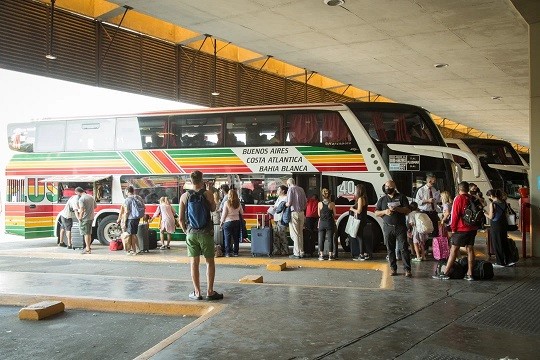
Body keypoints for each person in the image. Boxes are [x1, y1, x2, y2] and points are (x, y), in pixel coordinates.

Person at [178, 170, 222, 301]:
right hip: (206, 233)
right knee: (210, 262)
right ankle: (210, 291)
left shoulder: (184, 196)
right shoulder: (207, 193)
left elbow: (180, 219)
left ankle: (197, 293)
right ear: (202, 180)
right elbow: (214, 209)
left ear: (191, 181)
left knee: (194, 263)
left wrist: (186, 231)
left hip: (191, 233)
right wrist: (211, 196)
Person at [433, 181, 478, 281]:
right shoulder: (472, 198)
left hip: (461, 228)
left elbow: (455, 215)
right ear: (468, 189)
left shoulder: (458, 198)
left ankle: (445, 272)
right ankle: (470, 274)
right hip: (472, 228)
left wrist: (453, 228)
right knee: (470, 249)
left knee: (453, 250)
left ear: (459, 189)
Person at [375, 180, 412, 277]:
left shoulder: (401, 197)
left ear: (394, 187)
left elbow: (407, 210)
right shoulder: (382, 199)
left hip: (400, 227)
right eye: (386, 187)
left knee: (404, 248)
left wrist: (397, 209)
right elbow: (376, 213)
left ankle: (407, 269)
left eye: (390, 187)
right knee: (390, 249)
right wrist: (385, 212)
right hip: (388, 227)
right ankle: (393, 268)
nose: (388, 189)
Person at [484, 189, 513, 267]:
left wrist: (485, 213)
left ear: (492, 196)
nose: (489, 198)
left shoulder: (493, 204)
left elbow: (491, 216)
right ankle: (509, 260)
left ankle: (500, 262)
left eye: (489, 196)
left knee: (497, 243)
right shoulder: (504, 202)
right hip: (504, 224)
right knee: (504, 242)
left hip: (496, 225)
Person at [286, 178, 307, 259]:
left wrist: (285, 204)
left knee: (295, 234)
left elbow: (289, 203)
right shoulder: (301, 189)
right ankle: (301, 251)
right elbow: (305, 202)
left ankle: (296, 253)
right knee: (300, 233)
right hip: (301, 213)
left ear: (289, 184)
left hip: (294, 213)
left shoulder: (290, 189)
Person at [415, 173, 440, 238]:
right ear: (429, 181)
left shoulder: (434, 189)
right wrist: (427, 201)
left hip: (433, 212)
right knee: (425, 230)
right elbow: (417, 201)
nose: (435, 182)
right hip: (425, 213)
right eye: (434, 180)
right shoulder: (421, 190)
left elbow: (436, 200)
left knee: (435, 230)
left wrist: (437, 199)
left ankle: (435, 246)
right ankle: (425, 246)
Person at [220, 189, 243, 257]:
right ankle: (236, 252)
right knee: (236, 238)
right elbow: (242, 212)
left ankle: (227, 253)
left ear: (229, 195)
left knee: (227, 238)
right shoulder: (238, 203)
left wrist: (221, 222)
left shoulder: (226, 203)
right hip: (237, 222)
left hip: (228, 222)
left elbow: (224, 214)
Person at [267, 185, 289, 256]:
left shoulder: (286, 198)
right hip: (276, 218)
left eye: (279, 189)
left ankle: (285, 250)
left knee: (282, 235)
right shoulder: (279, 197)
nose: (277, 191)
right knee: (275, 235)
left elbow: (280, 208)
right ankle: (277, 250)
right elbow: (276, 206)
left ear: (283, 191)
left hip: (281, 219)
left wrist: (275, 208)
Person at [123, 186, 145, 255]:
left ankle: (135, 250)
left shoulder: (127, 200)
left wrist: (124, 221)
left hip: (131, 219)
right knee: (134, 234)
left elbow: (126, 212)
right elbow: (144, 207)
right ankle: (136, 249)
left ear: (127, 191)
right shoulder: (138, 197)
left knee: (132, 235)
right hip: (137, 218)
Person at [351, 184, 370, 261]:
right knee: (360, 236)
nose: (355, 191)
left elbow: (359, 211)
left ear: (359, 190)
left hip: (360, 219)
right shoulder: (364, 198)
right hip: (363, 219)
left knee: (359, 236)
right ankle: (365, 253)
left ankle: (361, 254)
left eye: (356, 189)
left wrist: (352, 209)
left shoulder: (360, 199)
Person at [76, 187, 97, 255]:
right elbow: (95, 206)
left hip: (85, 218)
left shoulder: (81, 199)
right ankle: (88, 247)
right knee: (89, 233)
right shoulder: (91, 197)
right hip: (91, 217)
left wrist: (80, 217)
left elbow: (81, 209)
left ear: (78, 192)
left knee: (86, 234)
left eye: (76, 193)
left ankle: (87, 249)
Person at [317, 188, 336, 261]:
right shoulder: (332, 204)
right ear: (329, 195)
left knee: (321, 239)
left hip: (322, 223)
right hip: (329, 223)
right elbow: (335, 214)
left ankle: (321, 255)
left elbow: (319, 214)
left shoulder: (319, 204)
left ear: (322, 195)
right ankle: (330, 256)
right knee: (330, 239)